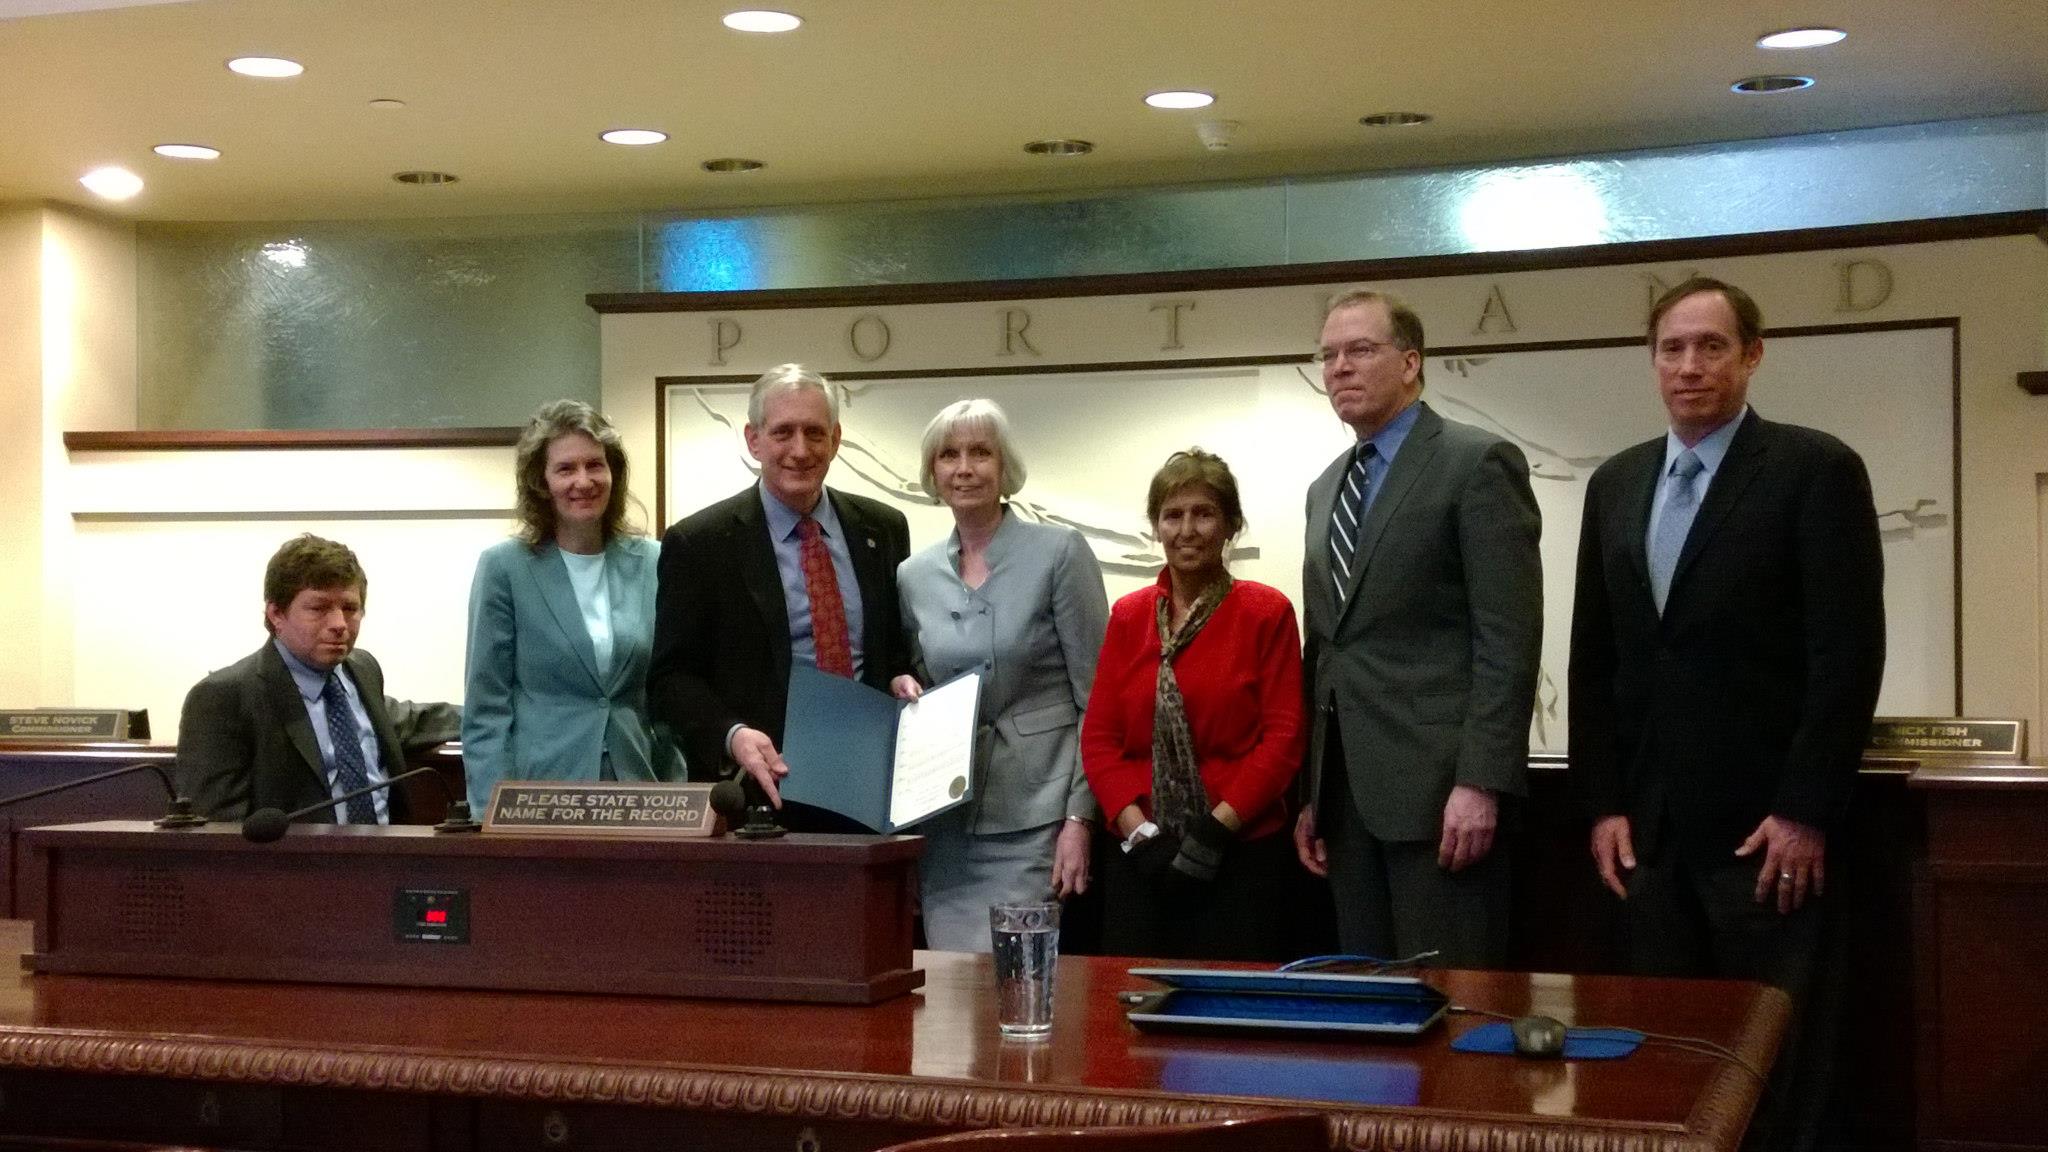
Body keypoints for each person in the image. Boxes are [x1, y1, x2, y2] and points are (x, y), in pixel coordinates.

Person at [1570, 277, 1884, 1152]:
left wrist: (1807, 810)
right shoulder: (1617, 482)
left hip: (1766, 832)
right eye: (1672, 348)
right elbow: (1594, 660)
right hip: (1650, 835)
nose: (1690, 367)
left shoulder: (1813, 470)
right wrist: (1602, 802)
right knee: (1666, 1061)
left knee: (1775, 1064)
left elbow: (1847, 659)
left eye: (1711, 346)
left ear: (1752, 355)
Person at [1293, 288, 1543, 969]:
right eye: (1329, 355)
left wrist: (1481, 782)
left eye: (1360, 350)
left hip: (1442, 798)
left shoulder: (1476, 462)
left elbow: (1507, 641)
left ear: (1410, 362)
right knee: (1369, 1018)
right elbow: (1328, 650)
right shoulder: (1325, 488)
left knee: (1450, 1009)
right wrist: (1313, 794)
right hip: (1347, 803)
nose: (1340, 367)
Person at [647, 364, 913, 830]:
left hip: (869, 787)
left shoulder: (883, 529)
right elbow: (671, 679)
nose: (800, 450)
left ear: (835, 438)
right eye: (783, 432)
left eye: (815, 432)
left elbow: (891, 652)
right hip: (758, 796)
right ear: (753, 440)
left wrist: (899, 678)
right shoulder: (700, 543)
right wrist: (733, 736)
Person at [892, 399, 1109, 951]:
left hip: (1038, 816)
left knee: (1019, 993)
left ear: (1003, 465)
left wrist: (1080, 821)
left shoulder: (1060, 552)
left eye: (980, 453)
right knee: (950, 1002)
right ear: (932, 471)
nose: (964, 467)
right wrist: (905, 688)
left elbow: (1100, 701)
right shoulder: (913, 576)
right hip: (947, 825)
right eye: (949, 455)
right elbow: (921, 682)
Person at [1081, 449, 1305, 960]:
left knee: (1230, 1019)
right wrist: (1141, 835)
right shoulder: (1129, 615)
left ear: (1230, 526)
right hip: (1141, 857)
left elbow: (1284, 738)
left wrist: (1213, 832)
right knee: (1132, 1010)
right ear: (1156, 526)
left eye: (1204, 513)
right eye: (1172, 515)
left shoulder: (1265, 613)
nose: (1187, 529)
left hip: (1239, 853)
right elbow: (1099, 740)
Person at [462, 399, 678, 809]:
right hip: (540, 793)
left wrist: (679, 791)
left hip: (640, 788)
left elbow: (667, 692)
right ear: (541, 483)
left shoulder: (653, 561)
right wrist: (488, 813)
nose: (584, 480)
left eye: (595, 465)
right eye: (565, 468)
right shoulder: (503, 568)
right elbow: (486, 709)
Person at [175, 533, 460, 823]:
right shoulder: (222, 697)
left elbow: (402, 719)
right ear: (276, 614)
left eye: (350, 608)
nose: (339, 624)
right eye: (319, 608)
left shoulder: (362, 668)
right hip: (295, 865)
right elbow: (213, 831)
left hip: (389, 858)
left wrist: (495, 714)